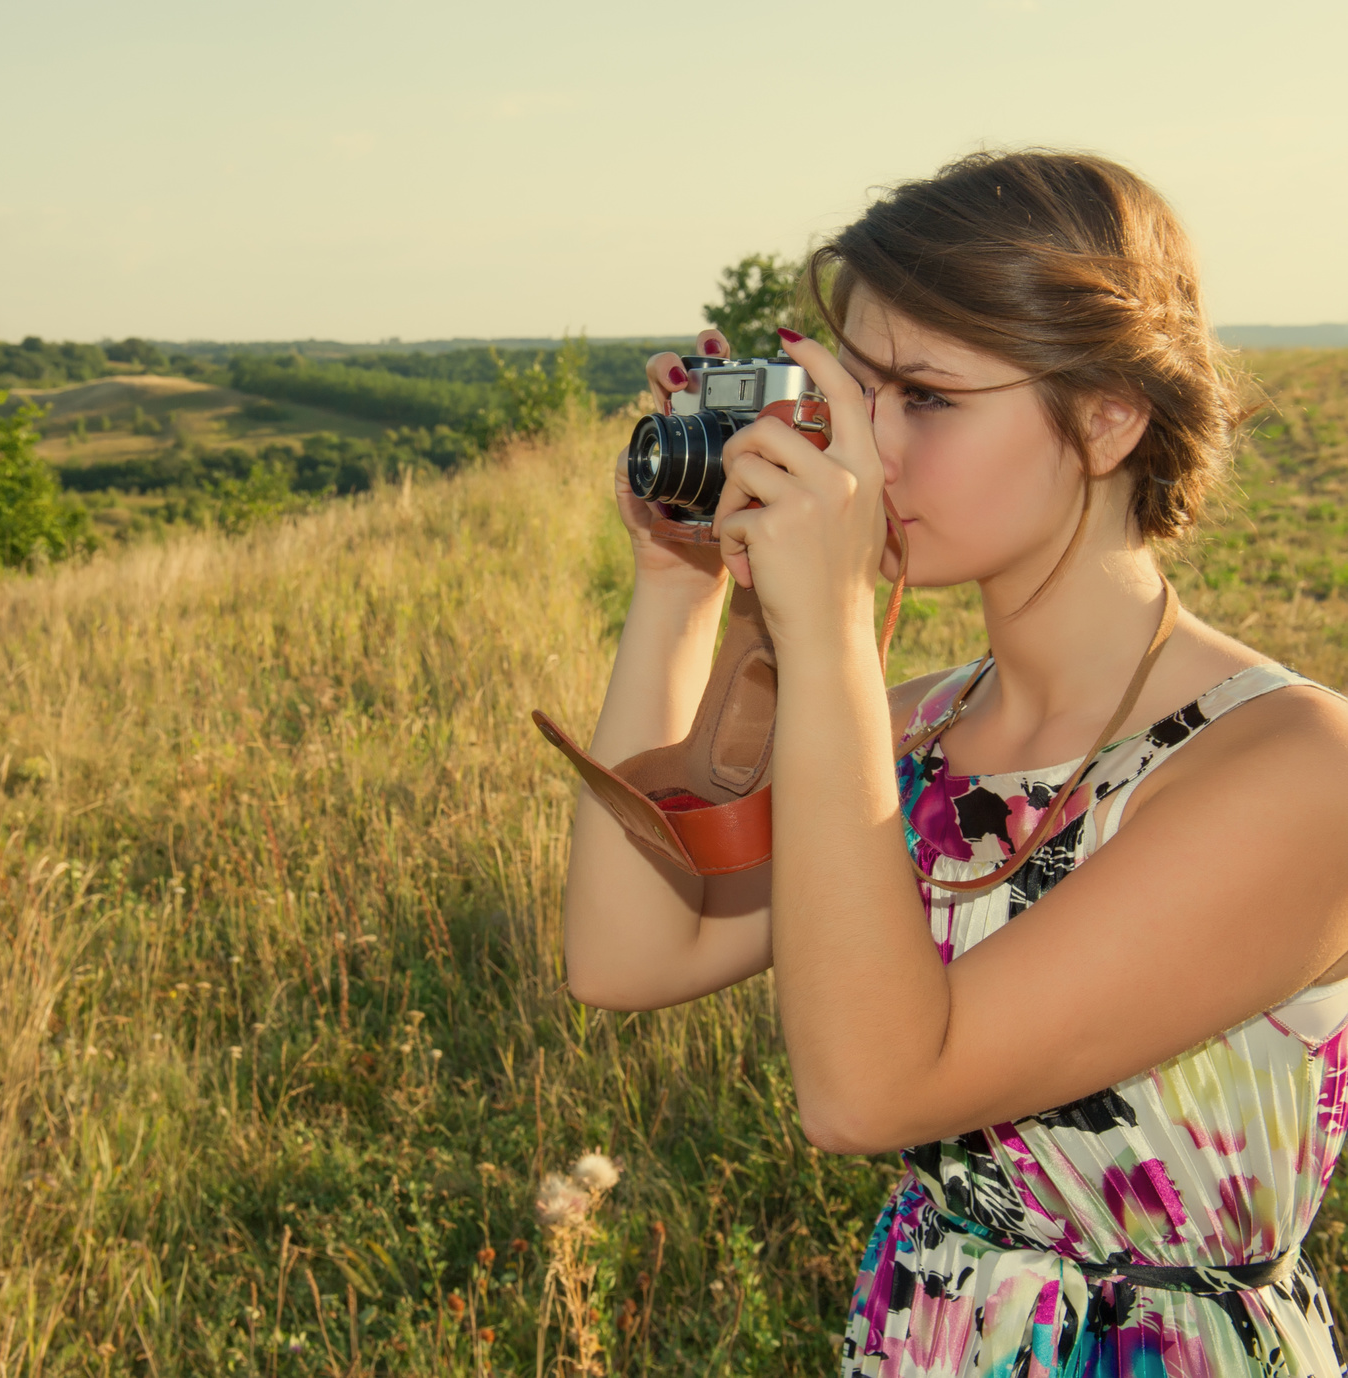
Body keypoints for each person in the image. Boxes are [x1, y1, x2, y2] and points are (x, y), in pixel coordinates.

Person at [561, 150, 1348, 1375]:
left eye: (924, 397)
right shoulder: (916, 730)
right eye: (853, 392)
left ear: (1105, 416)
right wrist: (678, 585)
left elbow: (869, 1093)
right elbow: (626, 953)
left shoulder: (1293, 767)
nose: (866, 452)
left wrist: (822, 642)